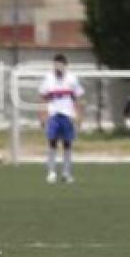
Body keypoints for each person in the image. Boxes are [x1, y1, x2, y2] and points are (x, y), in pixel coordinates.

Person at [38, 54, 84, 184]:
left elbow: (78, 98)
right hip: (53, 115)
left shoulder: (72, 79)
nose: (57, 67)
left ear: (65, 65)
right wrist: (42, 115)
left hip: (67, 115)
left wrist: (79, 116)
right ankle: (51, 172)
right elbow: (42, 97)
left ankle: (66, 173)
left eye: (60, 64)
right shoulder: (48, 78)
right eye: (55, 64)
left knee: (67, 144)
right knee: (52, 142)